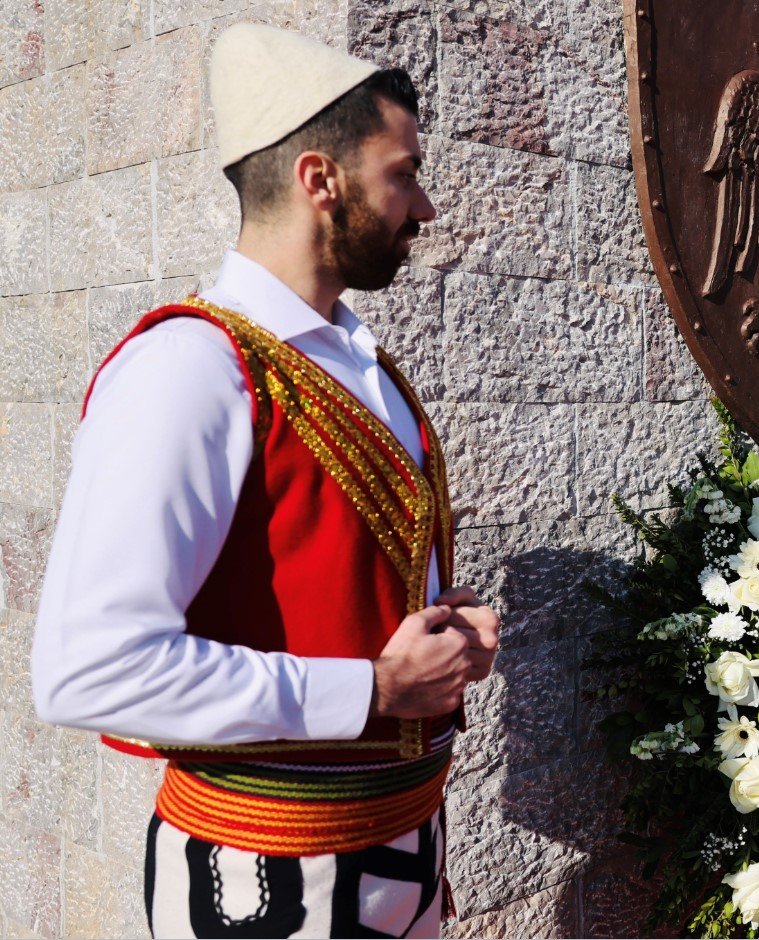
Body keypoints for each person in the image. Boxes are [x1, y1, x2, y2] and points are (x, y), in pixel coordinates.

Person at [31, 23, 497, 939]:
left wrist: (443, 638)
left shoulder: (362, 366)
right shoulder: (188, 367)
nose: (426, 206)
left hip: (401, 852)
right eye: (402, 173)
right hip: (261, 877)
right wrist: (371, 688)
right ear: (320, 180)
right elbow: (86, 670)